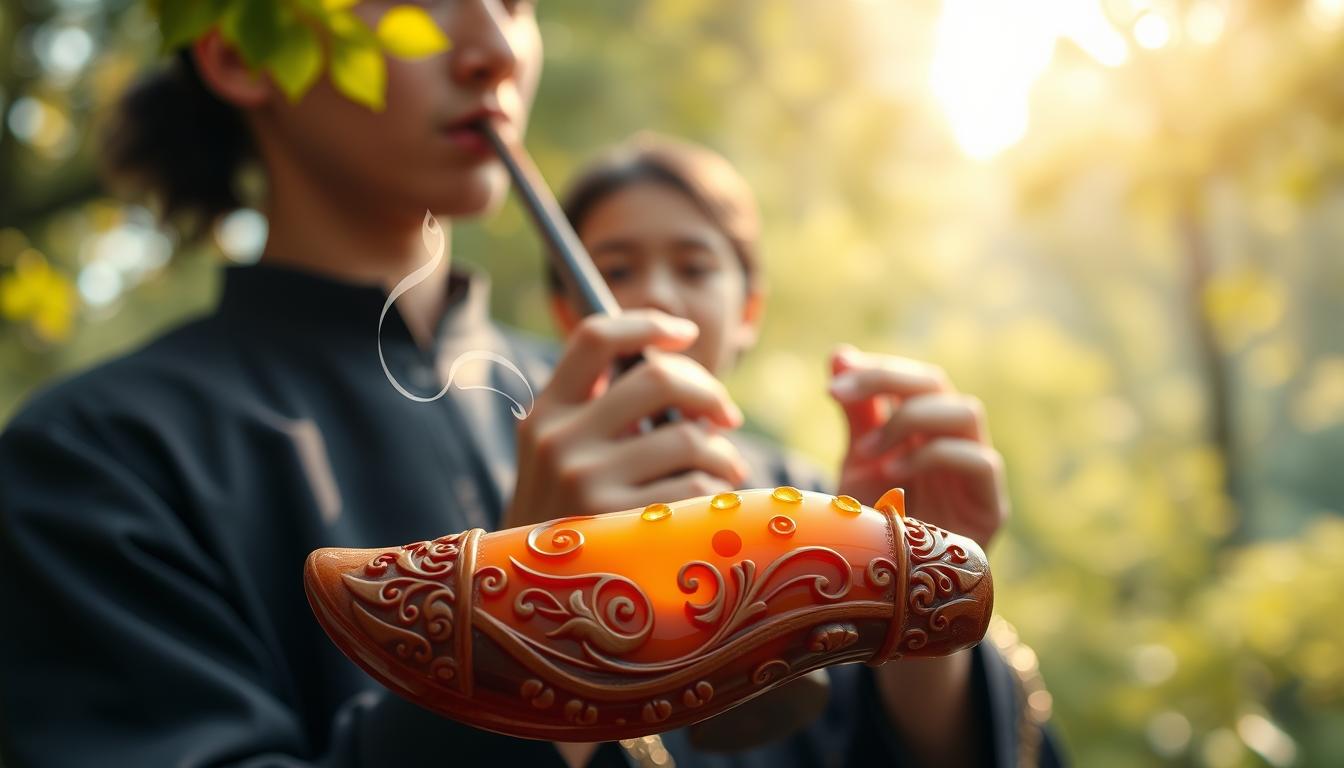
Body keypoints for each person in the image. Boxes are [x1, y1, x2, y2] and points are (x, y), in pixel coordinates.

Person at [0, 3, 1058, 767]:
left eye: (513, 0)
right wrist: (525, 642)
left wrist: (911, 623)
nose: (495, 45)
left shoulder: (658, 426)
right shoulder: (96, 463)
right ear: (240, 50)